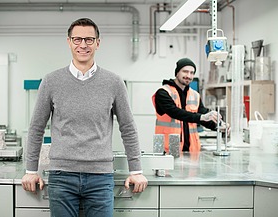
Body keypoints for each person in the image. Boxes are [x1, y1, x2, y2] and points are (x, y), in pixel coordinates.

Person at [21, 18, 148, 217]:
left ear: (98, 43)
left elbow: (128, 128)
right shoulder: (51, 81)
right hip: (61, 176)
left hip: (101, 177)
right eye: (77, 39)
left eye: (89, 40)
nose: (83, 45)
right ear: (69, 42)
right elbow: (36, 128)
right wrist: (30, 170)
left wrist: (136, 170)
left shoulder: (114, 82)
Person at [152, 57, 228, 153]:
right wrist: (202, 117)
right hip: (167, 151)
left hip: (190, 152)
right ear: (177, 73)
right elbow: (176, 113)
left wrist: (220, 126)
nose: (188, 75)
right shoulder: (163, 92)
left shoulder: (194, 95)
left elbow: (204, 117)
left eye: (192, 73)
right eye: (185, 71)